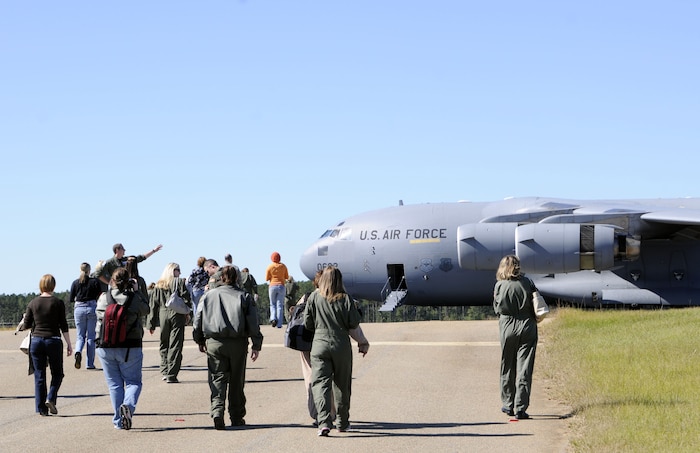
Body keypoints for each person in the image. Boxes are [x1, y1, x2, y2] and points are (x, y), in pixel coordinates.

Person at [193, 265, 263, 430]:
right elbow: (253, 323)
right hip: (238, 343)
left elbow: (198, 320)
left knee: (217, 378)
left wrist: (199, 340)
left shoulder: (208, 296)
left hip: (214, 342)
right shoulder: (244, 296)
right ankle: (237, 416)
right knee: (236, 381)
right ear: (237, 278)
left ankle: (217, 410)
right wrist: (256, 344)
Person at [303, 266, 365, 436]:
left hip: (320, 344)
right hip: (341, 344)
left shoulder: (314, 297)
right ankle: (343, 422)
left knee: (320, 384)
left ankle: (323, 421)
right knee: (342, 385)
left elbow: (307, 323)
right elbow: (354, 322)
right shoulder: (345, 299)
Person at [96, 268, 150, 429]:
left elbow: (99, 315)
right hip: (130, 346)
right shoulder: (133, 298)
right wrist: (137, 291)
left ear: (112, 280)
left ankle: (118, 421)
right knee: (133, 382)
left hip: (105, 345)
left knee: (114, 384)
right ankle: (128, 406)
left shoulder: (104, 298)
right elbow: (146, 309)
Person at [493, 254, 538, 420]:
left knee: (507, 365)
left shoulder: (499, 285)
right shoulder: (527, 283)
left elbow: (497, 308)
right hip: (527, 324)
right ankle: (521, 407)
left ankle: (507, 404)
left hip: (507, 325)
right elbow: (536, 302)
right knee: (524, 367)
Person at [21, 274, 73, 416]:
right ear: (53, 286)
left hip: (36, 341)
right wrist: (69, 344)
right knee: (57, 373)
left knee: (39, 375)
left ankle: (41, 409)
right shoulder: (58, 302)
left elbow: (26, 325)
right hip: (53, 340)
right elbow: (63, 325)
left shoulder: (33, 303)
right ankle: (51, 397)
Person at [147, 262, 191, 383]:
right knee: (175, 344)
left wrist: (150, 324)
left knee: (164, 343)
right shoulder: (179, 283)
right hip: (176, 315)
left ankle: (165, 370)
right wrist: (187, 313)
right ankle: (172, 374)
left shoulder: (158, 285)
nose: (180, 272)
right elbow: (187, 299)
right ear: (173, 271)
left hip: (163, 314)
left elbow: (153, 305)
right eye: (178, 270)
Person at [69, 263, 102, 370]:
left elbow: (71, 298)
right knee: (91, 337)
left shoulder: (75, 282)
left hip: (79, 308)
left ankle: (78, 351)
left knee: (80, 336)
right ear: (89, 270)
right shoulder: (94, 282)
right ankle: (89, 363)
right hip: (92, 307)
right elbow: (100, 295)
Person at [96, 243, 163, 286]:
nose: (124, 250)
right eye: (123, 249)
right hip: (117, 288)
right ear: (117, 250)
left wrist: (153, 251)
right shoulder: (109, 262)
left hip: (127, 285)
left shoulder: (127, 260)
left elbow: (141, 258)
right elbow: (98, 274)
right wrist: (109, 283)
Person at [265, 251, 289, 328]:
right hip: (281, 286)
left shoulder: (270, 267)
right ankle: (279, 324)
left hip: (272, 286)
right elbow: (287, 277)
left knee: (272, 304)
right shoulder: (283, 266)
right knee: (280, 305)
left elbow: (266, 278)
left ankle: (273, 318)